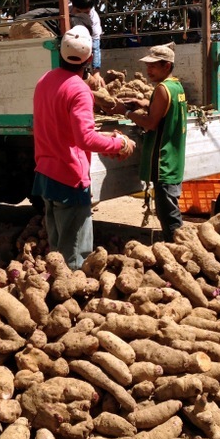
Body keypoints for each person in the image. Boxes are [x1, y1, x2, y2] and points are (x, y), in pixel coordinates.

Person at [32, 25, 135, 269]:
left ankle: (58, 295)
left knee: (57, 251)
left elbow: (64, 128)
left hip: (46, 174)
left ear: (60, 51)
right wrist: (119, 142)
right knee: (75, 257)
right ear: (89, 58)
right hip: (69, 179)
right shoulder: (79, 89)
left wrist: (107, 137)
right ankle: (71, 298)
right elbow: (85, 139)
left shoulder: (44, 81)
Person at [112, 43, 187, 242]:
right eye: (148, 65)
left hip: (163, 159)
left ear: (167, 66)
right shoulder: (176, 86)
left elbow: (151, 123)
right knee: (169, 206)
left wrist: (126, 112)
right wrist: (144, 104)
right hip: (174, 157)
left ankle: (178, 246)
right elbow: (164, 110)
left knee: (167, 213)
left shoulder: (162, 89)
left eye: (154, 65)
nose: (148, 70)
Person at [70, 0, 104, 90]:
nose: (81, 16)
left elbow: (95, 47)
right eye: (78, 11)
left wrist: (96, 73)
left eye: (85, 13)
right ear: (73, 6)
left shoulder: (94, 20)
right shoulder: (65, 11)